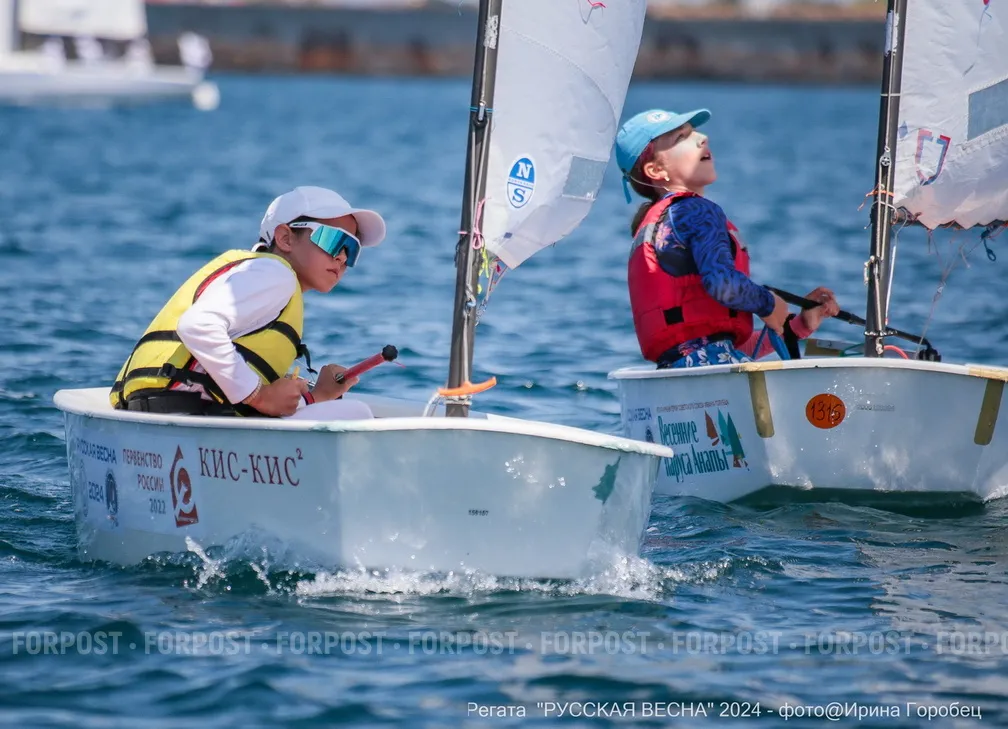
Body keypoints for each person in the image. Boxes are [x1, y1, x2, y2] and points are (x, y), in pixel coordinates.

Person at [109, 186, 386, 417]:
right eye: (333, 240)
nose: (341, 258)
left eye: (351, 250)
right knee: (356, 414)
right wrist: (261, 396)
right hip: (184, 420)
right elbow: (198, 325)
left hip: (162, 417)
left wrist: (317, 397)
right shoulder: (274, 273)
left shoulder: (261, 279)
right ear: (286, 238)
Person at [614, 107, 840, 368]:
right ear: (656, 170)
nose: (702, 138)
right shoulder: (695, 209)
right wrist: (768, 304)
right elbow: (723, 285)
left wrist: (799, 326)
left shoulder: (658, 222)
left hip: (675, 373)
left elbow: (724, 352)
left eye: (694, 131)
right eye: (681, 137)